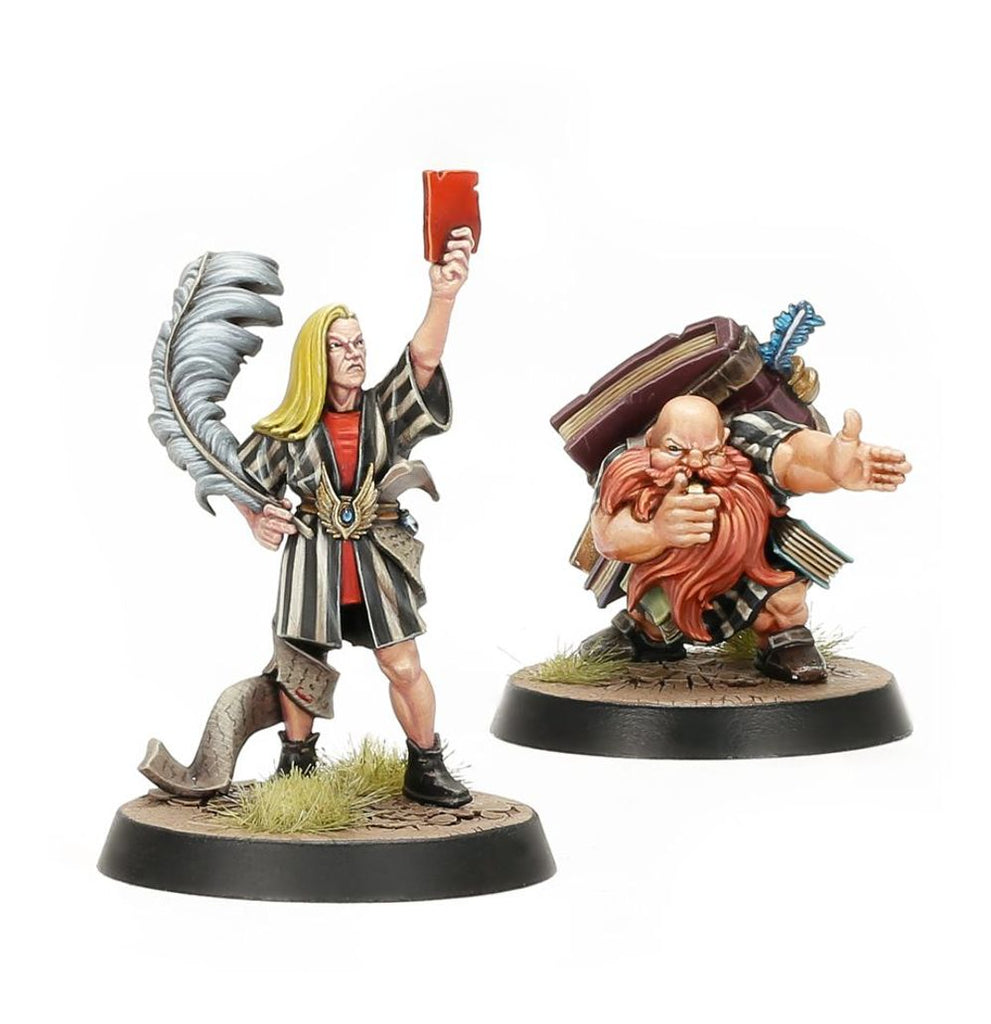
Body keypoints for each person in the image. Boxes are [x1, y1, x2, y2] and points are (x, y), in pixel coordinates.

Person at [235, 228, 474, 807]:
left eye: (359, 342)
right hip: (312, 556)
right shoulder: (288, 428)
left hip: (375, 557)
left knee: (403, 663)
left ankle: (426, 763)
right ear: (315, 359)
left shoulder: (383, 410)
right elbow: (239, 479)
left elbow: (422, 360)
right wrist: (256, 519)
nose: (355, 352)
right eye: (340, 345)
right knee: (299, 665)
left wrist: (443, 296)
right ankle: (297, 764)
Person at [583, 394, 911, 682]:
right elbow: (607, 534)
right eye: (674, 449)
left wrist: (831, 463)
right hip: (665, 577)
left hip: (749, 568)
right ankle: (646, 636)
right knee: (652, 613)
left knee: (784, 603)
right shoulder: (627, 467)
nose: (695, 463)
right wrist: (656, 531)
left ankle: (784, 642)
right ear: (650, 440)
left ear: (724, 440)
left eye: (711, 452)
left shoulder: (745, 442)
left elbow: (792, 455)